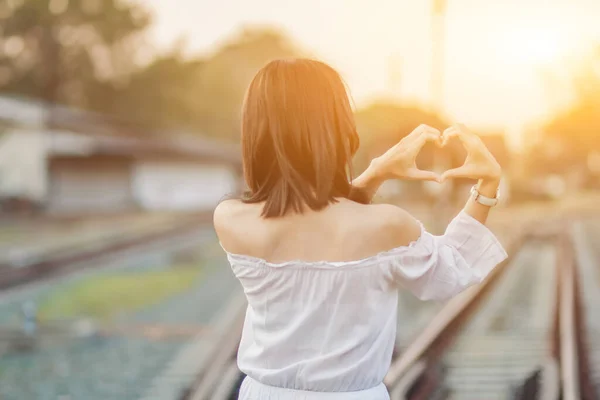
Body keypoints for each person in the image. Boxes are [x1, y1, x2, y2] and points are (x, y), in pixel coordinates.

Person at [214, 58, 508, 400]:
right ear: (336, 130)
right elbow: (451, 270)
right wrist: (487, 185)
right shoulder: (386, 225)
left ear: (254, 131)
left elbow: (312, 218)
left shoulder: (230, 219)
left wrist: (376, 173)